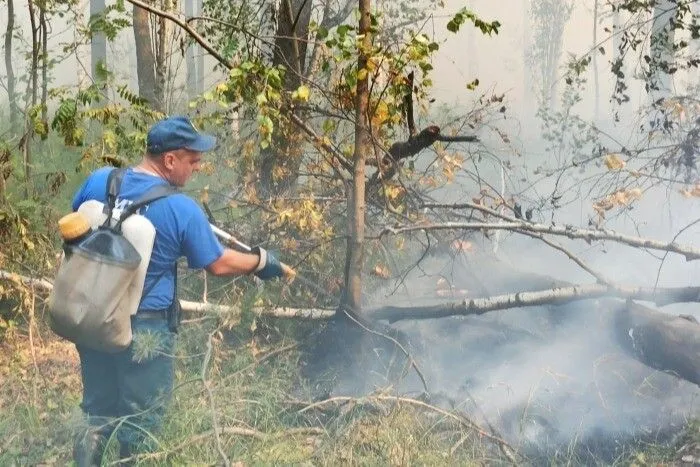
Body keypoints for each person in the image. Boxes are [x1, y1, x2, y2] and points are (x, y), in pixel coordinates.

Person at [70, 115, 286, 466]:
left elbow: (76, 221)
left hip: (93, 318)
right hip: (145, 330)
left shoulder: (99, 180)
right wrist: (261, 262)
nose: (196, 169)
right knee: (142, 423)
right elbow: (217, 263)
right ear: (170, 160)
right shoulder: (180, 208)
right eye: (192, 161)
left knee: (96, 412)